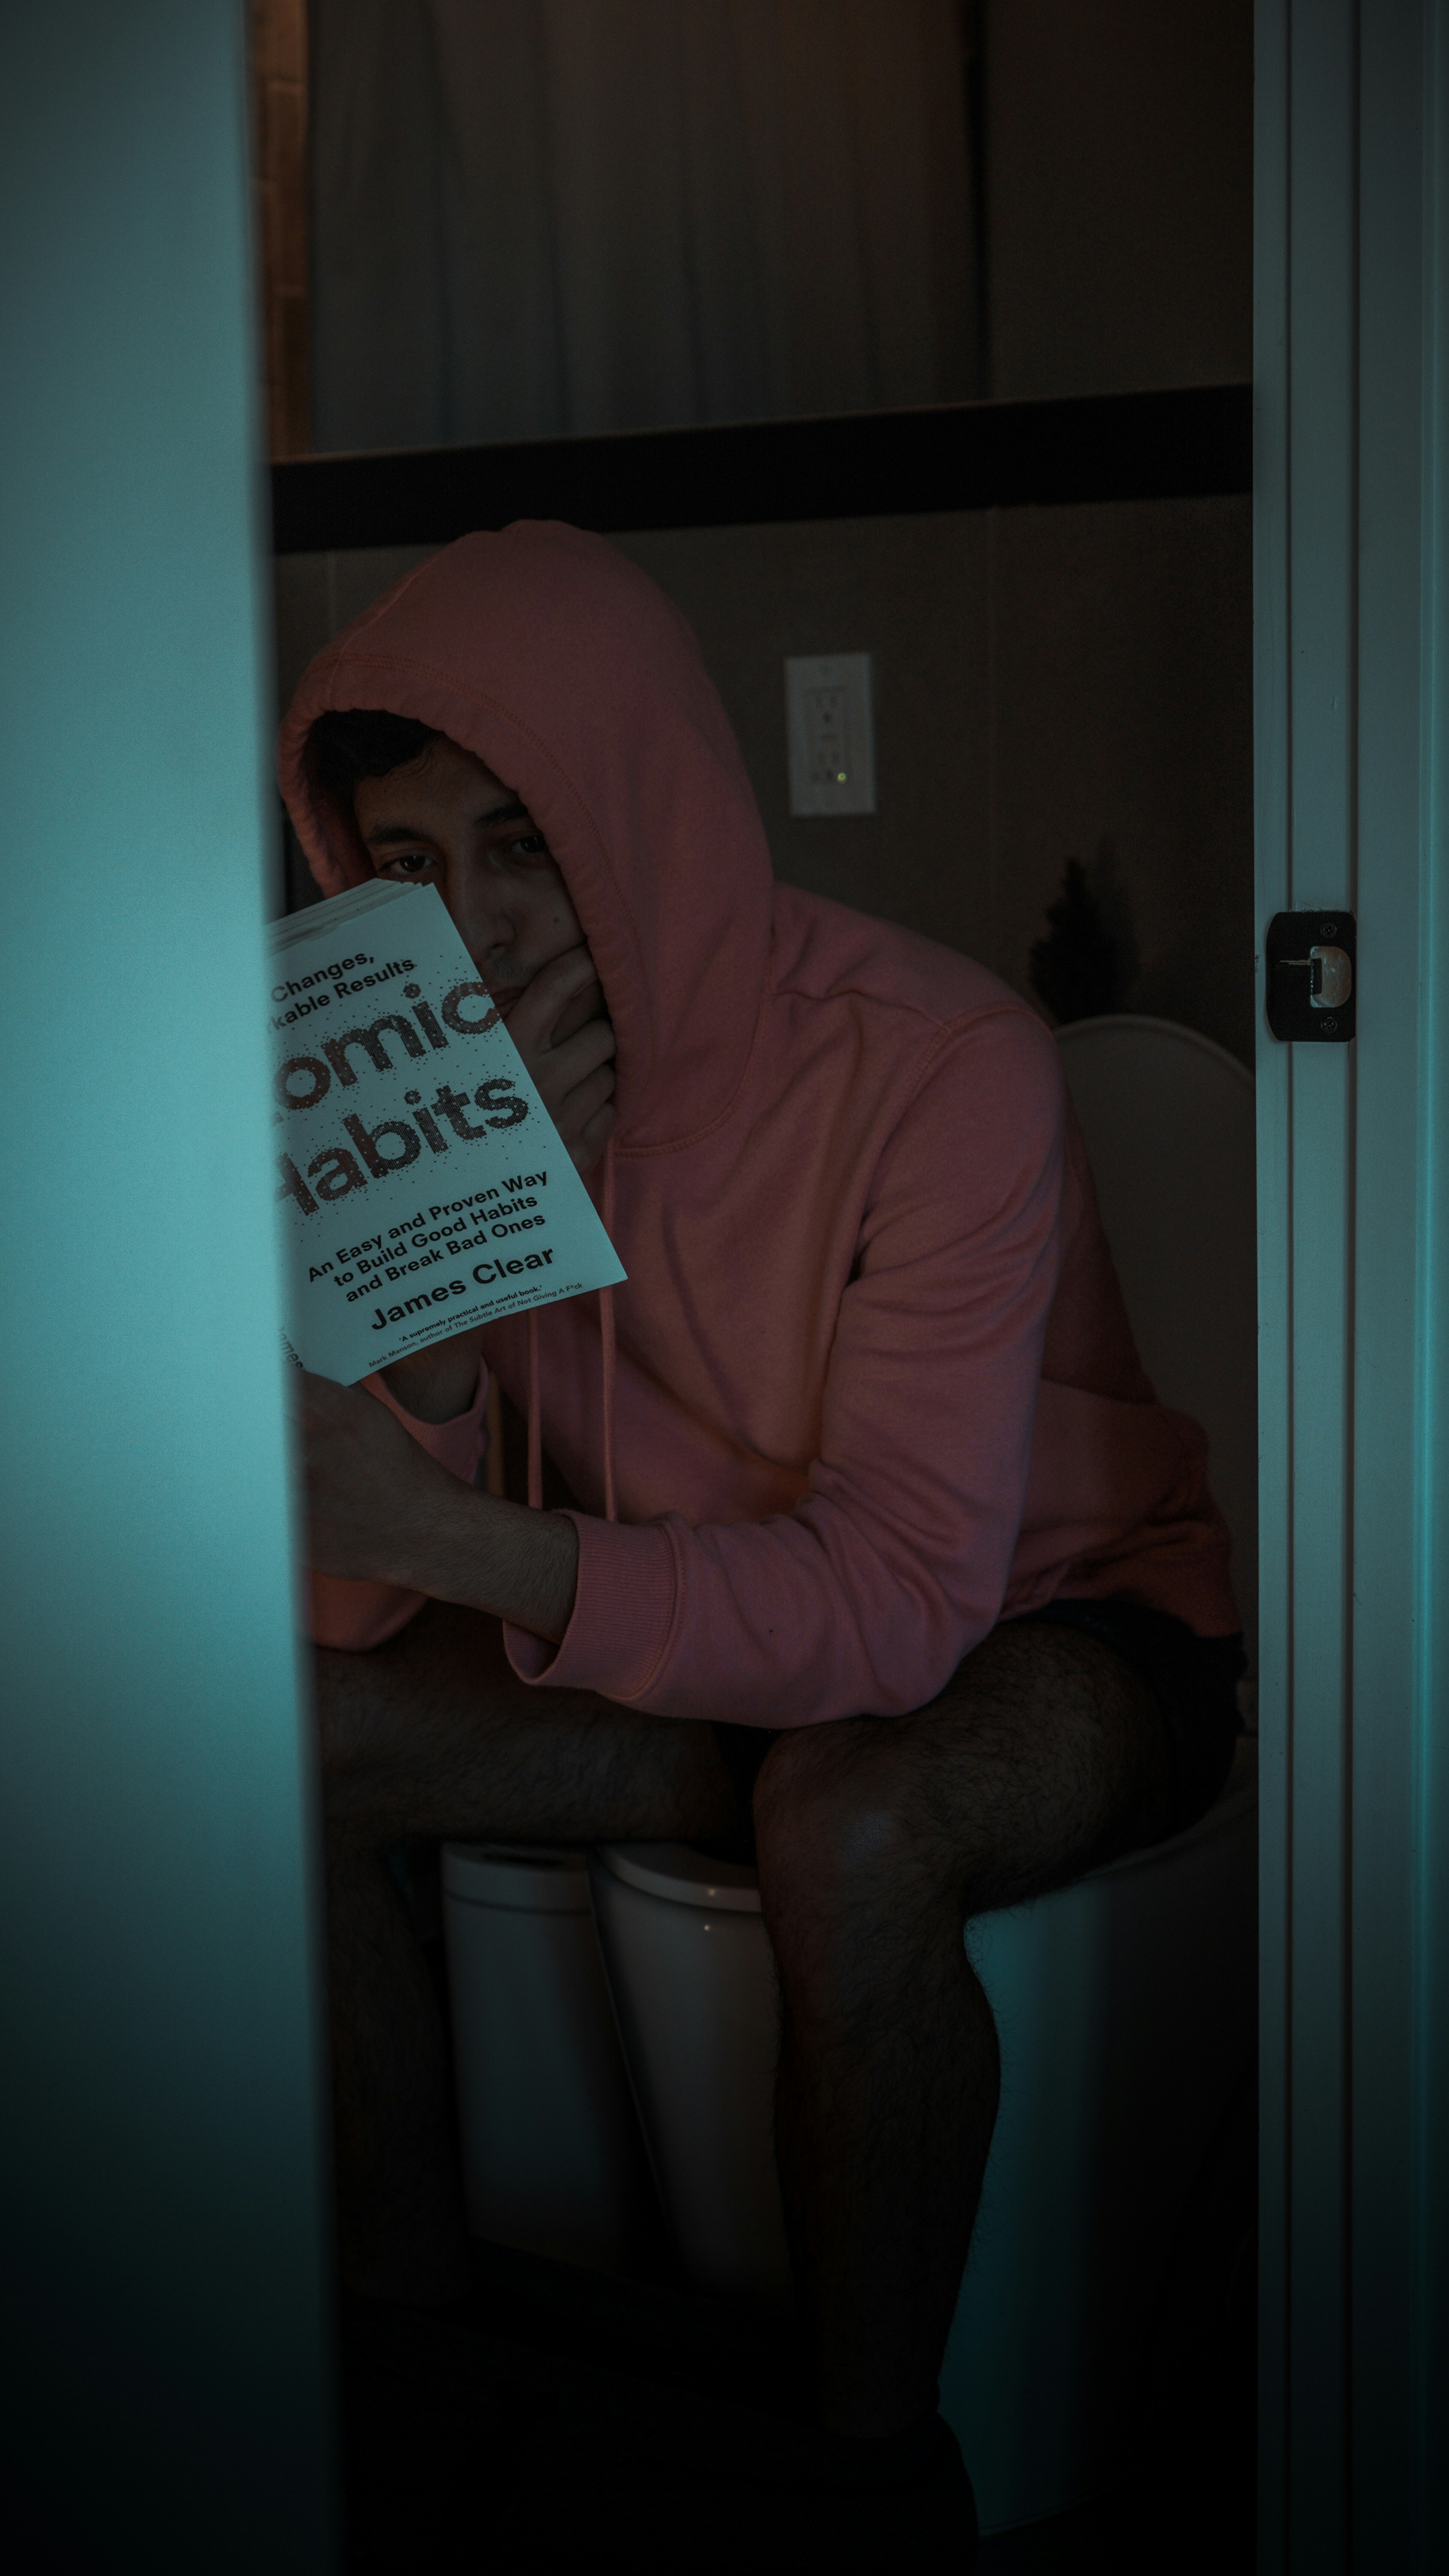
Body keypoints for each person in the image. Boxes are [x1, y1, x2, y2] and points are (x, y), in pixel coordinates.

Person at [281, 522, 1243, 2567]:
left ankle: (869, 2485)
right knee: (283, 1743)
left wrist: (469, 1536)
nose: (480, 933)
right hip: (696, 1640)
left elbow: (900, 1608)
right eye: (408, 868)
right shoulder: (414, 1094)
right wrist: (441, 1319)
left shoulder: (939, 1063)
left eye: (525, 842)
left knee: (859, 1824)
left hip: (1042, 1621)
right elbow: (358, 1606)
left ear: (643, 808)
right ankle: (403, 2378)